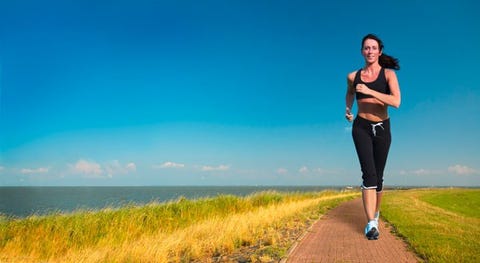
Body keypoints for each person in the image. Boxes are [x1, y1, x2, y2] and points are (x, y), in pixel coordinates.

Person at [345, 33, 401, 240]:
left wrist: (369, 91)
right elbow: (350, 93)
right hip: (361, 127)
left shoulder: (388, 75)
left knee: (378, 177)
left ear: (379, 51)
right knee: (368, 174)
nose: (369, 51)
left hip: (383, 128)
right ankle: (370, 223)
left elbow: (396, 101)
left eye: (373, 48)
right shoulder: (353, 76)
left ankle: (375, 214)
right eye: (366, 48)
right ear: (362, 51)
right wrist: (348, 109)